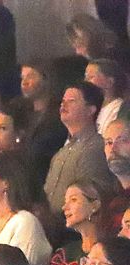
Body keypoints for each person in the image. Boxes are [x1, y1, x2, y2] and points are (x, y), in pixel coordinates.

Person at [43, 82, 116, 220]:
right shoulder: (61, 152)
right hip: (53, 226)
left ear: (91, 110)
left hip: (74, 229)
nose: (63, 105)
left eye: (72, 101)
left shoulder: (96, 147)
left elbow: (92, 196)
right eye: (63, 101)